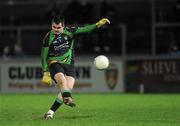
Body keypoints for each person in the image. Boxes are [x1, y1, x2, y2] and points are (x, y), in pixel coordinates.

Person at [41, 15, 110, 119]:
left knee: (66, 89)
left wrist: (97, 25)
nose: (56, 29)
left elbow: (85, 30)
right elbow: (43, 56)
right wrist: (46, 72)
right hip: (54, 62)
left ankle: (50, 112)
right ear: (51, 26)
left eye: (59, 27)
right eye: (54, 27)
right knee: (62, 81)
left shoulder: (70, 31)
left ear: (63, 26)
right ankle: (68, 98)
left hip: (69, 65)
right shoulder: (47, 38)